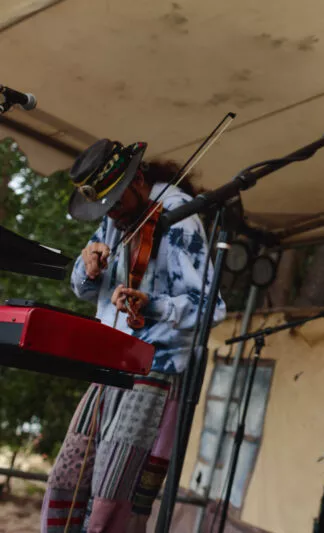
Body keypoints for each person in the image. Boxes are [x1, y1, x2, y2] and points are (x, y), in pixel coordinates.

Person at [41, 139, 226, 532]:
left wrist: (153, 304)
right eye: (103, 209)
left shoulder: (179, 217)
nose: (111, 217)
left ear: (138, 180)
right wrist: (87, 270)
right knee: (67, 482)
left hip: (153, 372)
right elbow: (87, 289)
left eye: (115, 206)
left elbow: (212, 305)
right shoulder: (118, 215)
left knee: (113, 497)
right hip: (106, 363)